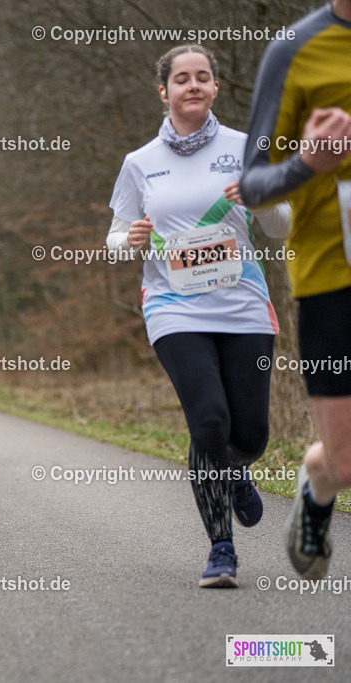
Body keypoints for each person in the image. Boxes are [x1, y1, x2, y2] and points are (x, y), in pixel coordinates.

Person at [107, 45, 291, 588]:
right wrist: (130, 239)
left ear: (214, 88)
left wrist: (260, 199)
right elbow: (116, 239)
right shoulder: (139, 163)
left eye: (203, 77)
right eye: (181, 79)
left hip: (242, 307)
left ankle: (236, 470)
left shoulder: (245, 147)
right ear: (163, 91)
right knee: (208, 421)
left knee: (251, 434)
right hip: (173, 307)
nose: (193, 85)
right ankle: (221, 549)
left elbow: (280, 226)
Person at [239, 1, 351, 581]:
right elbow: (253, 182)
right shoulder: (295, 48)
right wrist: (308, 162)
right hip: (333, 279)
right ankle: (318, 480)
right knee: (345, 461)